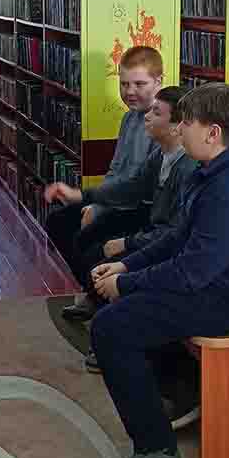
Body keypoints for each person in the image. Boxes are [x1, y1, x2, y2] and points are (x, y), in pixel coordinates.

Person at [87, 84, 229, 458]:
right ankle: (177, 393)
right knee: (127, 313)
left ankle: (159, 453)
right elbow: (179, 236)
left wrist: (124, 284)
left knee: (111, 328)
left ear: (213, 133)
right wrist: (128, 265)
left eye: (186, 122)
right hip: (215, 283)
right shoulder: (212, 170)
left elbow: (191, 272)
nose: (178, 129)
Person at [62, 86, 198, 327]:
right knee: (88, 243)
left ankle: (108, 313)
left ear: (177, 126)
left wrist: (128, 243)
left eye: (156, 112)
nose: (147, 116)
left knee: (102, 262)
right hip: (155, 234)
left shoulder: (187, 168)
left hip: (171, 247)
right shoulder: (160, 155)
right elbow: (130, 188)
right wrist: (84, 196)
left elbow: (176, 232)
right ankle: (99, 302)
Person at [44, 46, 163, 316]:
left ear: (158, 81)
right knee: (58, 222)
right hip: (116, 200)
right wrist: (95, 204)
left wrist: (99, 207)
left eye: (139, 84)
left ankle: (104, 300)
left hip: (142, 208)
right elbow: (116, 170)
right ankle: (95, 292)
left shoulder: (161, 124)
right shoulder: (129, 119)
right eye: (124, 84)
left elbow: (138, 187)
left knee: (87, 240)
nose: (130, 91)